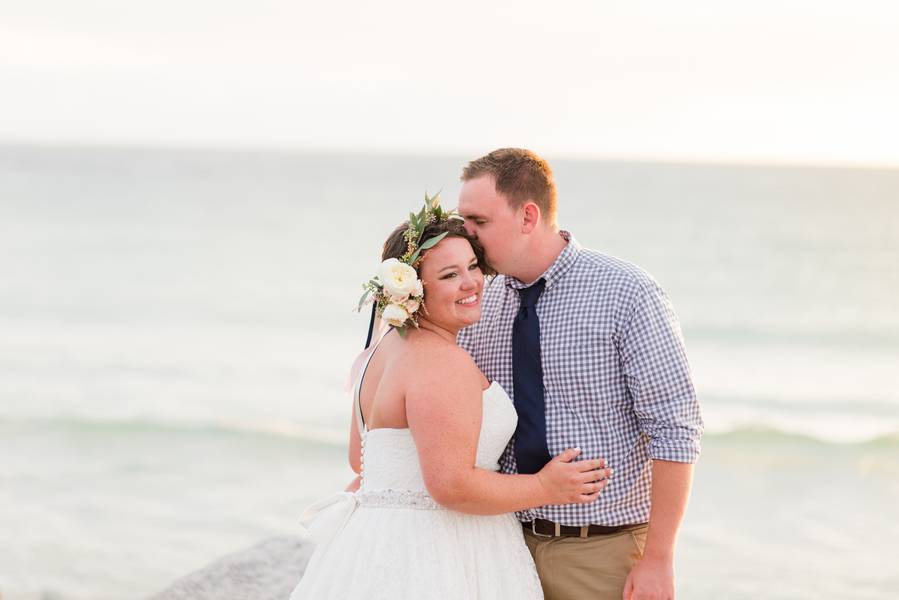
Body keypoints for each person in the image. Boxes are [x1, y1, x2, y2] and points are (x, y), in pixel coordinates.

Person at [289, 197, 613, 600]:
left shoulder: (378, 353)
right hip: (441, 551)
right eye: (448, 275)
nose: (471, 283)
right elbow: (451, 487)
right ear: (413, 290)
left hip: (372, 544)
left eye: (473, 267)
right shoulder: (441, 362)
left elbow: (362, 461)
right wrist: (546, 487)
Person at [457, 148, 704, 600]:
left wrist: (659, 558)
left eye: (479, 222)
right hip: (500, 546)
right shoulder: (478, 302)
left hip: (603, 550)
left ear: (528, 216)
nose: (466, 237)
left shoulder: (627, 292)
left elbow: (675, 430)